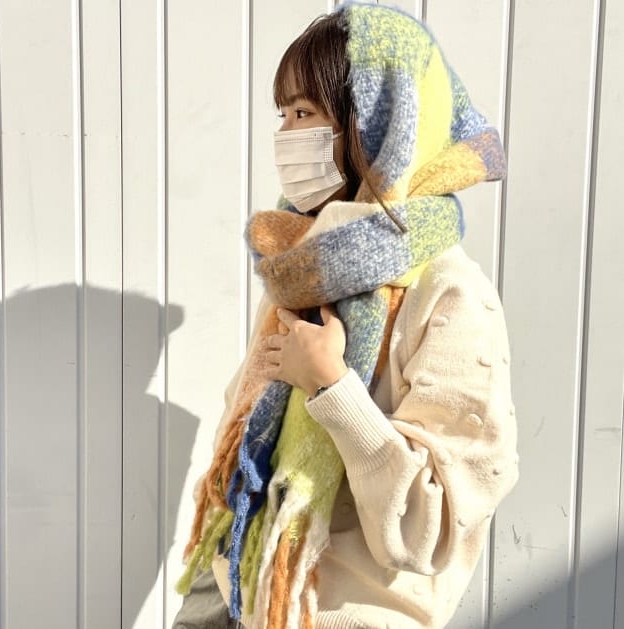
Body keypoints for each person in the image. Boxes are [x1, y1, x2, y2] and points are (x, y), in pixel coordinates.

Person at [173, 3, 518, 628]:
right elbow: (243, 440)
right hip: (237, 591)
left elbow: (431, 530)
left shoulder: (451, 295)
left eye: (305, 113)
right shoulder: (302, 266)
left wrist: (332, 387)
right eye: (282, 114)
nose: (285, 135)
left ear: (379, 127)